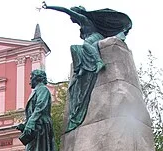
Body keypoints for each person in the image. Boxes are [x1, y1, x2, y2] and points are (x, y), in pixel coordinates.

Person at [42, 2, 132, 132]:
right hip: (91, 41)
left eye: (72, 16)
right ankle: (80, 69)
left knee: (85, 45)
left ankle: (98, 62)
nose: (71, 18)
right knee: (74, 48)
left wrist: (48, 6)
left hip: (95, 38)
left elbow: (65, 10)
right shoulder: (82, 24)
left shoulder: (83, 19)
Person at [16, 69, 58, 151]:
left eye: (31, 77)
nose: (30, 81)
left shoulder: (42, 90)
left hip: (40, 127)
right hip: (37, 125)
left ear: (37, 78)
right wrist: (25, 125)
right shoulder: (37, 91)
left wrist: (31, 123)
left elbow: (40, 107)